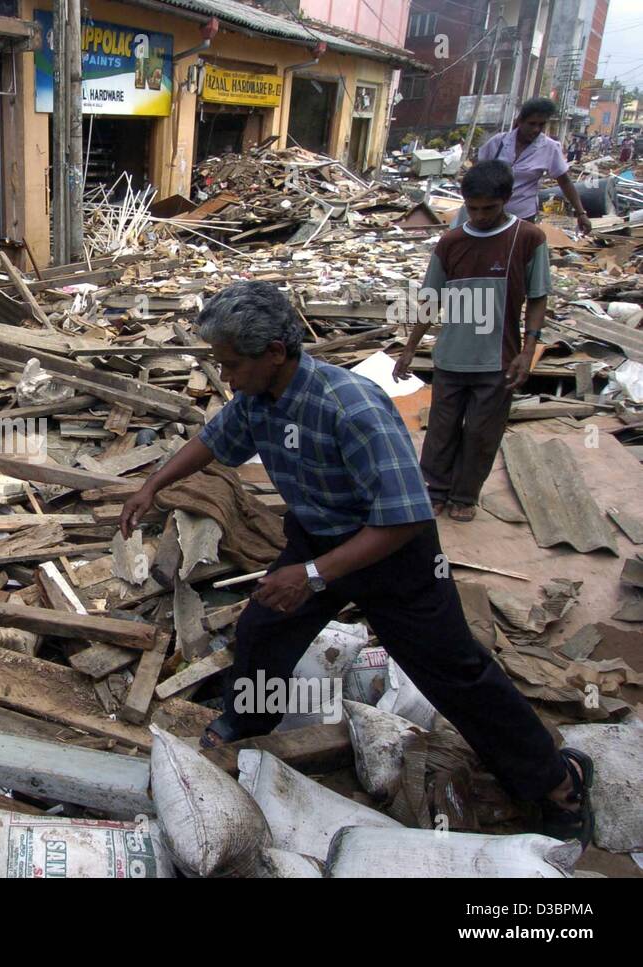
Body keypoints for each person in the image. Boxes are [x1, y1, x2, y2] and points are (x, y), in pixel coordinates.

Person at [118, 280, 593, 845]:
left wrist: (314, 575)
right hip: (317, 536)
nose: (228, 378)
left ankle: (555, 781)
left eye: (232, 364)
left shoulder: (352, 406)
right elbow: (215, 442)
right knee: (264, 629)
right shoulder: (257, 397)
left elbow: (406, 517)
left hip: (392, 554)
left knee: (454, 671)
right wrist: (153, 485)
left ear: (275, 352)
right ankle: (246, 724)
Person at [393, 161, 548, 523]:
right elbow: (431, 300)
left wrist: (528, 350)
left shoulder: (528, 239)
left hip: (498, 359)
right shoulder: (451, 243)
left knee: (481, 433)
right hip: (450, 358)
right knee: (441, 432)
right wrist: (410, 348)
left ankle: (465, 496)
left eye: (488, 209)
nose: (479, 216)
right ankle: (434, 490)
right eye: (473, 208)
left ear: (506, 200)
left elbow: (538, 297)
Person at [475, 97, 592, 232]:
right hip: (490, 214)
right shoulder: (498, 142)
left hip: (523, 215)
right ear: (520, 121)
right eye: (532, 123)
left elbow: (564, 181)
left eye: (541, 125)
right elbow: (478, 172)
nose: (536, 129)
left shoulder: (549, 147)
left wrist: (581, 213)